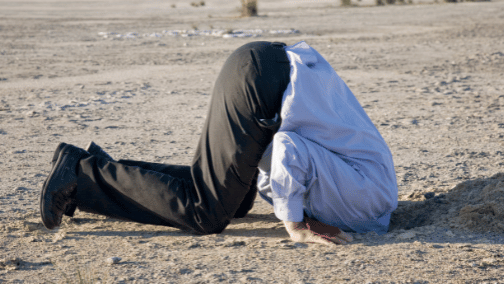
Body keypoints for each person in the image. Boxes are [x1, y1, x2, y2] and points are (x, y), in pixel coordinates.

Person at [40, 41, 397, 246]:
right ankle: (82, 175)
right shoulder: (363, 208)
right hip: (263, 87)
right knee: (206, 212)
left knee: (233, 203)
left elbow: (279, 161)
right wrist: (296, 226)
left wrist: (292, 205)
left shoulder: (370, 193)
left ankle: (104, 170)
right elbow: (289, 148)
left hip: (262, 71)